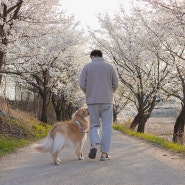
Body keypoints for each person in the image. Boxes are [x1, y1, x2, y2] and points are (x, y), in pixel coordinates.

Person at [79, 49, 118, 161]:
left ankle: (94, 145)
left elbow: (82, 84)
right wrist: (109, 92)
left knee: (94, 125)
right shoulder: (110, 67)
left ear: (92, 56)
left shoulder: (87, 67)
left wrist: (89, 91)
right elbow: (116, 84)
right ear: (101, 56)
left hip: (92, 101)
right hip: (107, 101)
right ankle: (104, 154)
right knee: (107, 127)